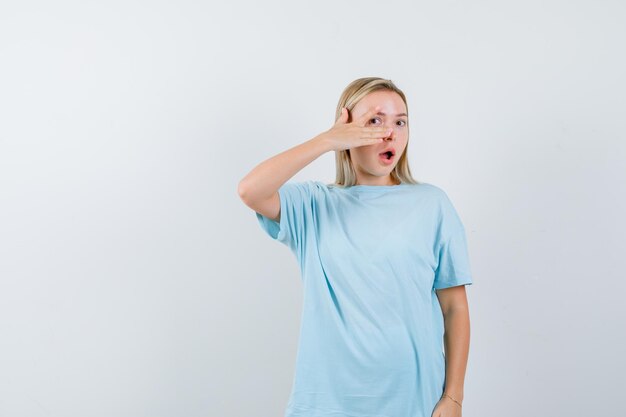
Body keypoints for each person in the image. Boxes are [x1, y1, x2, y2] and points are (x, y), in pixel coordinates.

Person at [238, 77, 473, 417]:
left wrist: (453, 398)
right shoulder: (314, 205)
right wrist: (326, 141)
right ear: (346, 127)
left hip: (414, 400)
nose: (390, 132)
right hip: (325, 403)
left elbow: (455, 308)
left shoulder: (432, 205)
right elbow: (250, 190)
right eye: (374, 121)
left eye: (400, 121)